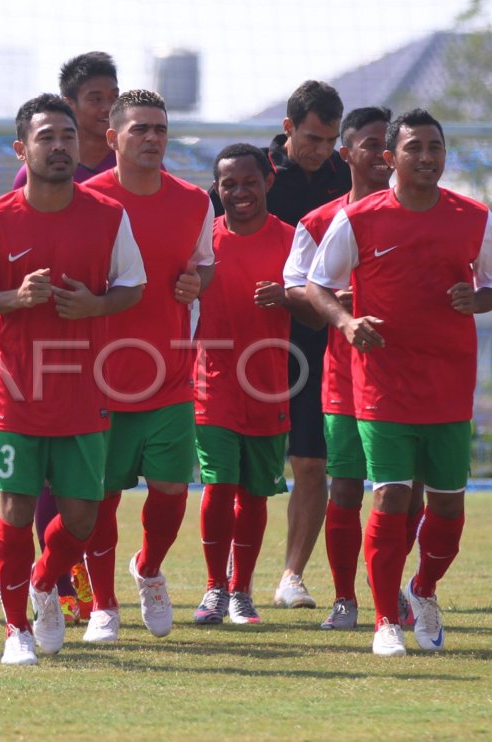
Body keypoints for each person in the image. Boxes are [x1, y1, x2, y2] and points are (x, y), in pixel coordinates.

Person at [0, 93, 145, 665]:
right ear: (21, 148)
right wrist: (14, 297)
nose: (60, 147)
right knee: (15, 510)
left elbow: (133, 285)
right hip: (15, 394)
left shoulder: (108, 215)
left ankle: (41, 583)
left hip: (84, 391)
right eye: (46, 137)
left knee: (81, 517)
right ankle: (16, 631)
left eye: (67, 137)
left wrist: (96, 307)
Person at [307, 108, 492, 657]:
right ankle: (383, 622)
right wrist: (347, 322)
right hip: (381, 382)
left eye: (435, 148)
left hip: (448, 382)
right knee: (391, 495)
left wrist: (479, 298)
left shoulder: (474, 217)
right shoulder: (359, 219)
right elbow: (317, 285)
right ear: (389, 158)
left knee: (446, 508)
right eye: (414, 147)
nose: (426, 157)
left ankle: (423, 588)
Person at [282, 106, 427, 630]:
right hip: (345, 374)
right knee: (344, 487)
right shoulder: (319, 223)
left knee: (410, 489)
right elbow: (298, 288)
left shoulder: (423, 214)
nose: (378, 155)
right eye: (367, 144)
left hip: (411, 374)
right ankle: (346, 598)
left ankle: (397, 586)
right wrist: (336, 308)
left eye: (383, 144)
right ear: (348, 153)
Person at [81, 89, 214, 642]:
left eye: (160, 128)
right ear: (112, 137)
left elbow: (204, 266)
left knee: (169, 491)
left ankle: (150, 570)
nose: (153, 138)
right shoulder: (83, 199)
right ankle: (103, 606)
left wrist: (194, 282)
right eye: (140, 129)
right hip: (97, 379)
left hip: (171, 374)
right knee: (99, 497)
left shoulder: (194, 202)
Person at [215, 80, 351, 610]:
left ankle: (291, 575)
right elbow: (208, 245)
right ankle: (226, 576)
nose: (322, 149)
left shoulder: (346, 180)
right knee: (241, 474)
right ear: (288, 129)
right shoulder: (249, 176)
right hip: (249, 351)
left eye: (331, 139)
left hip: (316, 345)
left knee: (312, 463)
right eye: (313, 137)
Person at [15, 52, 120, 621]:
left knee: (98, 489)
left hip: (126, 351)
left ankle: (85, 581)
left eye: (112, 96)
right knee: (47, 483)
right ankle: (61, 582)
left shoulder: (133, 168)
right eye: (95, 99)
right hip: (45, 359)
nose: (105, 108)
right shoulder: (40, 175)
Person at [193, 144, 295, 626]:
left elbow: (319, 302)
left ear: (267, 181)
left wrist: (289, 298)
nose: (239, 192)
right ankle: (215, 587)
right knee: (218, 486)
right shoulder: (202, 240)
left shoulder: (293, 240)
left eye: (248, 181)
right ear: (217, 188)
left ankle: (242, 591)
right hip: (211, 381)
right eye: (228, 184)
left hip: (270, 383)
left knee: (255, 494)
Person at [11, 52, 118, 188]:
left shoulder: (131, 163)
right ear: (69, 104)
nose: (108, 107)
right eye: (96, 99)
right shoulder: (33, 175)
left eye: (114, 97)